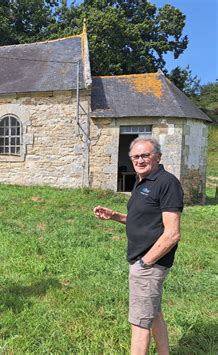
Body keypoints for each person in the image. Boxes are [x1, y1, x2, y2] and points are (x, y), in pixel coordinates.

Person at [93, 137, 183, 355]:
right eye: (135, 156)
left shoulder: (166, 183)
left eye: (145, 155)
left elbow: (172, 234)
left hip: (149, 265)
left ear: (158, 157)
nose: (140, 160)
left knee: (139, 324)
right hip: (143, 262)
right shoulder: (142, 181)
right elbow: (143, 219)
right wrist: (115, 216)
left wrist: (144, 263)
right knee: (153, 314)